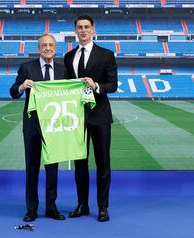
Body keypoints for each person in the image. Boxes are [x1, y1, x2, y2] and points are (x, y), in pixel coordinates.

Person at [64, 15, 118, 222]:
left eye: (87, 27)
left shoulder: (106, 55)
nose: (83, 30)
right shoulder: (69, 57)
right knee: (80, 164)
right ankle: (82, 204)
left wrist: (96, 86)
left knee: (103, 163)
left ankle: (103, 207)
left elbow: (112, 85)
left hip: (100, 116)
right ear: (75, 31)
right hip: (76, 117)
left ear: (93, 29)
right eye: (80, 27)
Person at [10, 34, 66, 222]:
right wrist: (21, 86)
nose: (48, 48)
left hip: (55, 127)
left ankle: (51, 207)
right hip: (33, 126)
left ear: (55, 48)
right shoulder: (27, 67)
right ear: (39, 48)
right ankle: (31, 209)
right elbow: (13, 92)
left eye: (51, 45)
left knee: (52, 169)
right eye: (44, 45)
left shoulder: (63, 70)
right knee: (32, 168)